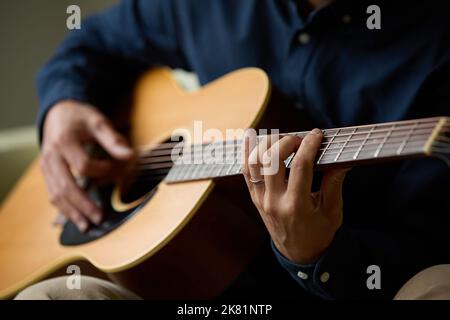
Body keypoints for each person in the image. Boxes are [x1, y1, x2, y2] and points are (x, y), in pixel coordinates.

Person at [17, 0, 450, 299]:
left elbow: (427, 245)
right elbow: (92, 41)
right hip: (191, 284)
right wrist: (63, 106)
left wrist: (317, 256)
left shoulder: (436, 43)